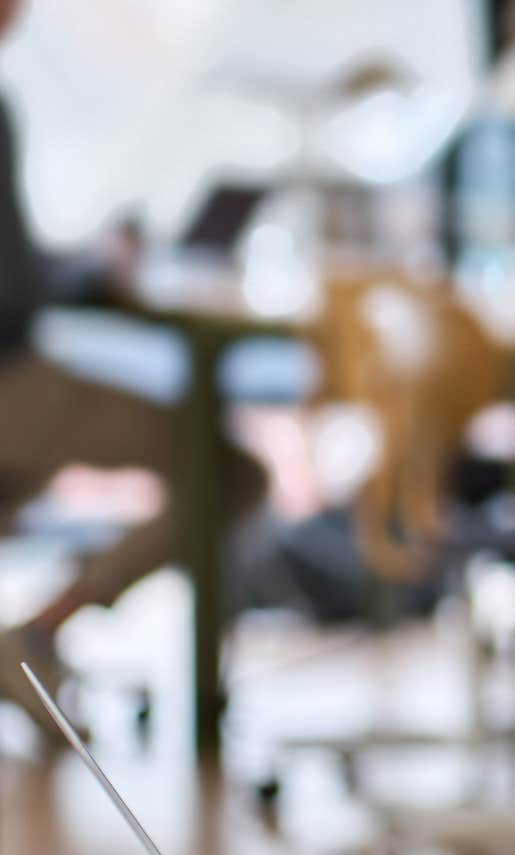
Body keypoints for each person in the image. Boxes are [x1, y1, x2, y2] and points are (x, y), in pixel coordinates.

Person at [0, 0, 268, 742]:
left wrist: (72, 263)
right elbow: (10, 297)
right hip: (13, 391)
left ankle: (35, 636)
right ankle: (40, 631)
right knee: (230, 470)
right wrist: (90, 274)